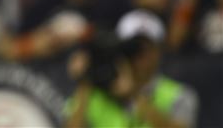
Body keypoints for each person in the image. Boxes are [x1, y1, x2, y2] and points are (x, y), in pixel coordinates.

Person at [65, 9, 198, 128]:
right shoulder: (96, 89)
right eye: (134, 48)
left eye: (149, 47)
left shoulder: (179, 96)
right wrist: (85, 80)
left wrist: (133, 95)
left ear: (160, 52)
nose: (142, 55)